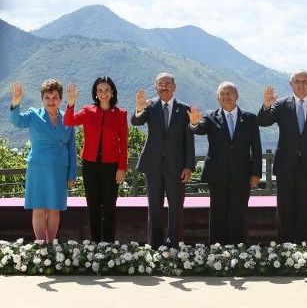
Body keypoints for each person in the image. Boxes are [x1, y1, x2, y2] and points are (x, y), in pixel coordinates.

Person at [257, 70, 307, 243]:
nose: (300, 84)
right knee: (285, 209)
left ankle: (303, 247)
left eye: (304, 81)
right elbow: (263, 121)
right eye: (296, 81)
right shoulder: (281, 104)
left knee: (306, 209)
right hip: (285, 166)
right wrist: (267, 106)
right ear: (290, 85)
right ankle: (285, 248)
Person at [188, 82, 262, 245]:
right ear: (218, 98)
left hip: (242, 174)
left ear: (237, 96)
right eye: (222, 94)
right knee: (218, 213)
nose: (226, 96)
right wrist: (193, 123)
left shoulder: (250, 118)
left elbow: (256, 148)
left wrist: (256, 173)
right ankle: (217, 251)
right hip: (217, 175)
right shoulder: (210, 116)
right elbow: (199, 128)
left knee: (239, 213)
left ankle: (240, 249)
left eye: (229, 93)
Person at [7, 80, 77, 242]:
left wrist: (72, 173)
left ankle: (51, 246)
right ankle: (40, 247)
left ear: (60, 99)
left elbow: (72, 149)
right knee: (39, 208)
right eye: (47, 97)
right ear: (42, 99)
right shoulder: (33, 115)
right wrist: (16, 103)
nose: (51, 101)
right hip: (38, 169)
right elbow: (16, 121)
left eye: (55, 97)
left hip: (60, 170)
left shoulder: (68, 119)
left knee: (54, 209)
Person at [131, 72, 195, 248]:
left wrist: (189, 167)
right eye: (160, 84)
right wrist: (138, 108)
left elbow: (189, 140)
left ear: (174, 87)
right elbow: (136, 122)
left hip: (176, 167)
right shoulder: (150, 107)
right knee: (154, 208)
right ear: (156, 87)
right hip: (153, 166)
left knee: (176, 209)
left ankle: (173, 245)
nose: (164, 87)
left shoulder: (185, 109)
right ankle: (155, 245)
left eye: (167, 83)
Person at [63, 76, 128, 243]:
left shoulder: (121, 114)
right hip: (90, 165)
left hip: (111, 166)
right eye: (100, 90)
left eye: (107, 90)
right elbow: (69, 121)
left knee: (109, 208)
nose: (103, 93)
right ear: (95, 93)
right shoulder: (87, 110)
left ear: (112, 92)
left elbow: (124, 144)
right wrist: (70, 104)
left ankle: (108, 246)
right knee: (93, 207)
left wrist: (122, 168)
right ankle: (96, 245)